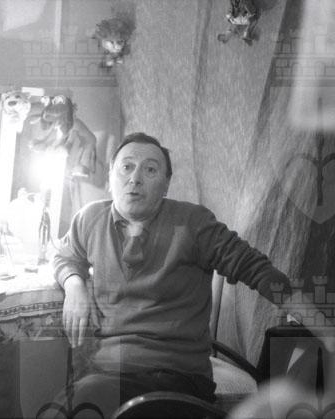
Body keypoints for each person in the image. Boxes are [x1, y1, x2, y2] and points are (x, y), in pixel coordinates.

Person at [50, 132, 295, 418]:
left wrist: (312, 316)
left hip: (176, 376)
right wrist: (74, 284)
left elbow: (253, 267)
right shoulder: (89, 219)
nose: (135, 178)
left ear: (166, 185)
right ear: (110, 176)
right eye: (126, 167)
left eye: (150, 170)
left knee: (82, 402)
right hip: (108, 372)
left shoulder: (193, 223)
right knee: (66, 399)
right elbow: (65, 256)